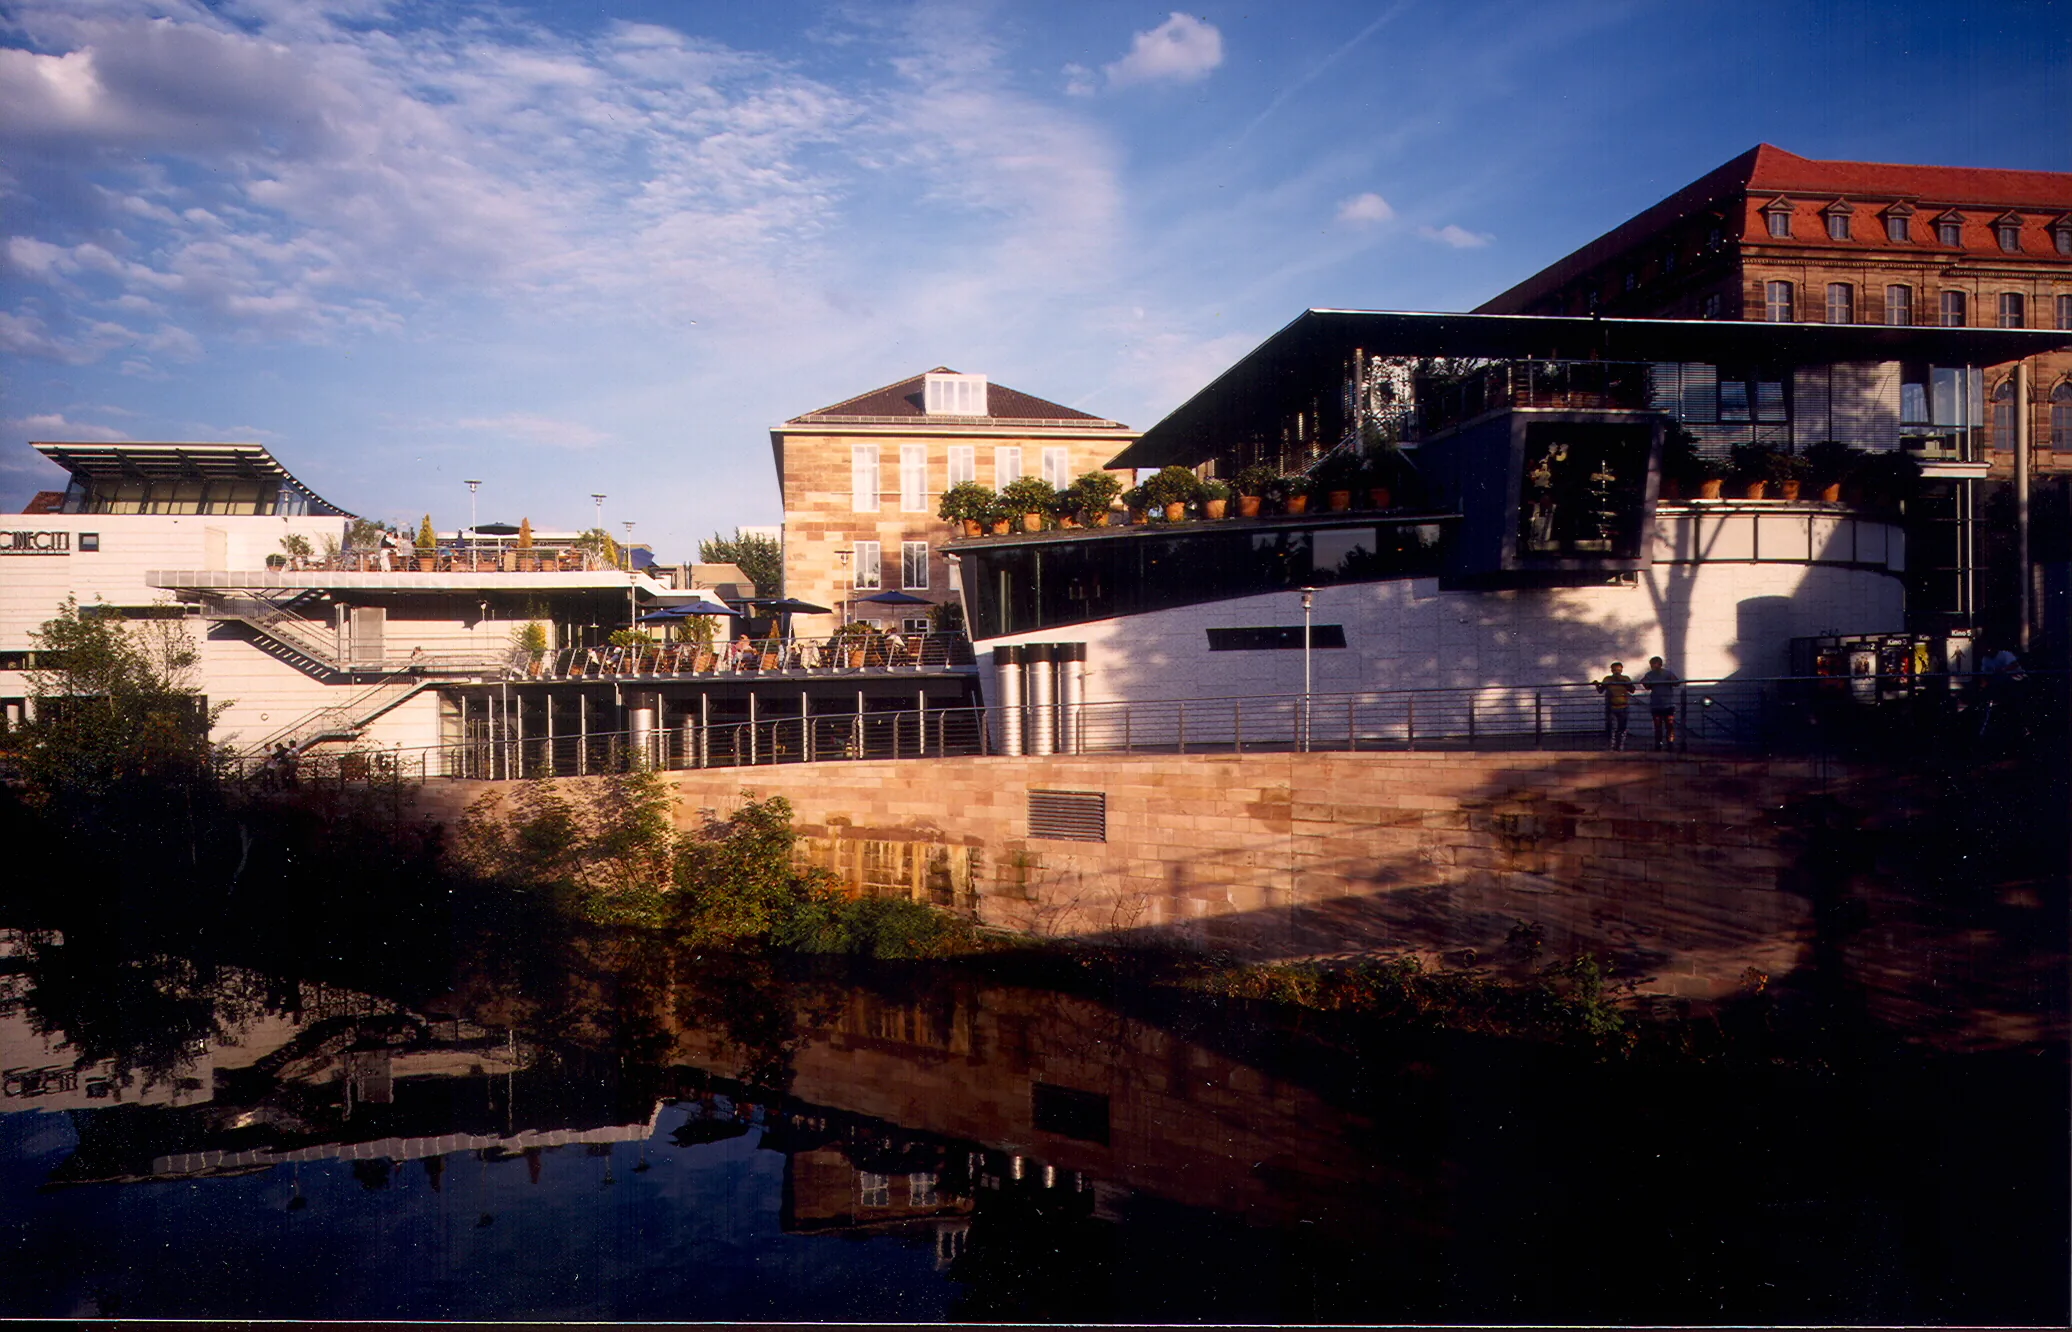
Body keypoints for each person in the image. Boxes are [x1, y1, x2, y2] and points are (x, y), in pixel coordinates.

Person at [1639, 656, 1680, 750]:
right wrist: (1646, 682)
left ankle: (1670, 743)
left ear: (1660, 664)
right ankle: (1658, 744)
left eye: (1655, 664)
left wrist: (1670, 680)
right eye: (1652, 665)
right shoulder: (1649, 674)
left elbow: (1677, 683)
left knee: (1669, 724)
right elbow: (1646, 686)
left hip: (1668, 703)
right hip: (1656, 703)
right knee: (1658, 725)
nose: (1653, 667)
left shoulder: (1667, 673)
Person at [1594, 661, 1636, 750]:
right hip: (1611, 707)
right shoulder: (1607, 679)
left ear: (1622, 670)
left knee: (1622, 727)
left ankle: (1620, 745)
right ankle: (1611, 746)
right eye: (1615, 670)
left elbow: (1632, 690)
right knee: (1611, 727)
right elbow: (1601, 690)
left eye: (1619, 670)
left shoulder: (1625, 678)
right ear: (1612, 670)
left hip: (1623, 706)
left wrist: (1625, 683)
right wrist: (1597, 684)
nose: (1617, 672)